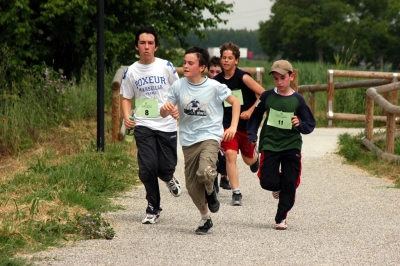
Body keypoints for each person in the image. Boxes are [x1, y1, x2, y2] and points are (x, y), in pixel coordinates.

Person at [160, 46, 240, 235]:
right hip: (188, 140)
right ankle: (205, 218)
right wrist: (167, 108)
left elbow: (235, 102)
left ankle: (211, 191)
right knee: (191, 186)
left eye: (190, 63)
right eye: (184, 63)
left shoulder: (214, 87)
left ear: (201, 67)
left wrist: (233, 127)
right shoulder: (178, 86)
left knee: (205, 171)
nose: (185, 66)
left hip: (210, 136)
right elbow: (163, 113)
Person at [120, 26, 182, 225]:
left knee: (165, 167)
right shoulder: (131, 71)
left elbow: (178, 89)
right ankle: (153, 206)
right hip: (144, 123)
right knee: (147, 167)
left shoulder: (166, 66)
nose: (146, 47)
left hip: (166, 125)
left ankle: (169, 177)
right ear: (136, 47)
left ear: (155, 46)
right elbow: (126, 97)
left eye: (150, 43)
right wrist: (126, 116)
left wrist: (176, 108)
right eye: (142, 43)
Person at [247, 60, 316, 230]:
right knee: (266, 181)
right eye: (276, 79)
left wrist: (299, 123)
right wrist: (252, 134)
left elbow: (310, 124)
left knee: (291, 182)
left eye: (283, 78)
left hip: (291, 145)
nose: (279, 82)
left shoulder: (298, 100)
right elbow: (255, 117)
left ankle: (281, 218)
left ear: (291, 77)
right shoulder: (266, 96)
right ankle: (281, 185)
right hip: (270, 143)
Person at [214, 42, 265, 206]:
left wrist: (250, 111)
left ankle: (255, 157)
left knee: (248, 160)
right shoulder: (216, 81)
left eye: (230, 58)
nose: (226, 60)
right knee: (230, 155)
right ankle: (236, 192)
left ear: (236, 60)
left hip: (247, 125)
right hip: (228, 125)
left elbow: (263, 95)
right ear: (221, 60)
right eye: (224, 58)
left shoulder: (243, 78)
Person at [207, 56, 231, 191]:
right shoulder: (203, 86)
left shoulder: (224, 88)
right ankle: (214, 179)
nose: (214, 75)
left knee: (227, 152)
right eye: (212, 71)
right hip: (209, 126)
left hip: (224, 123)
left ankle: (224, 176)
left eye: (217, 72)